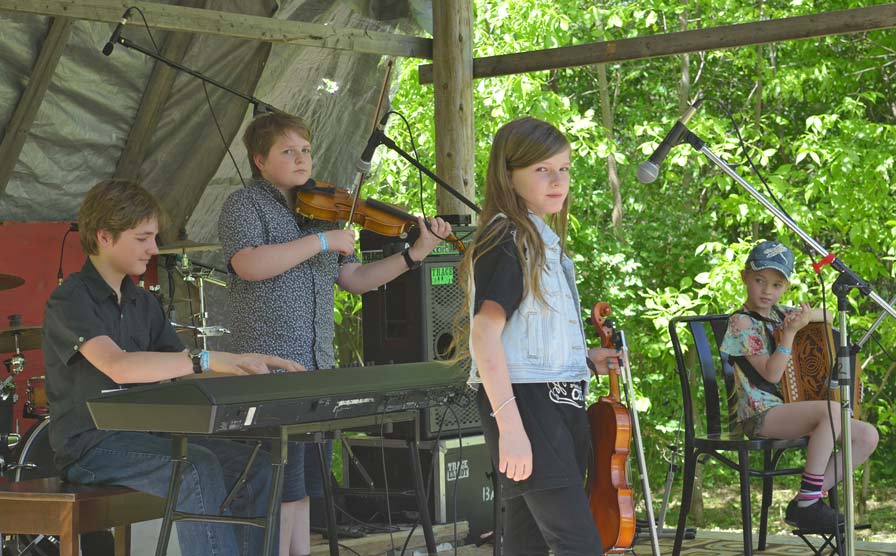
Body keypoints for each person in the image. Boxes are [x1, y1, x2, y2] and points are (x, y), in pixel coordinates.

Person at [218, 111, 451, 556]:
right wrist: (322, 243)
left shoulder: (323, 212)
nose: (301, 158)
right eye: (288, 151)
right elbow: (248, 264)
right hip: (267, 369)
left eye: (306, 150)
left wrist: (414, 256)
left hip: (317, 368)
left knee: (308, 485)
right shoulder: (244, 205)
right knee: (279, 486)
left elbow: (355, 279)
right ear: (260, 161)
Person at [43, 179, 305, 556]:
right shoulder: (70, 299)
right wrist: (208, 359)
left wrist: (244, 364)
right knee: (195, 467)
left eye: (154, 238)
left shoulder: (142, 302)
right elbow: (118, 365)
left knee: (257, 467)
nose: (154, 248)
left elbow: (182, 367)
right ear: (104, 236)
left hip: (146, 437)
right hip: (91, 447)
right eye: (143, 238)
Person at [458, 116, 617, 555]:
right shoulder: (507, 238)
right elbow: (484, 335)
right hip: (527, 407)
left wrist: (583, 359)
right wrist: (510, 428)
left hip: (554, 404)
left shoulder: (537, 237)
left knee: (525, 542)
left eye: (563, 169)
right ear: (508, 175)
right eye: (542, 170)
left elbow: (524, 336)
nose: (557, 181)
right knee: (578, 545)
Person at [719, 240, 879, 533]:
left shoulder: (779, 314)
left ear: (786, 287)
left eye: (777, 285)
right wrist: (790, 334)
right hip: (758, 415)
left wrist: (804, 317)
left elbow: (829, 316)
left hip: (787, 410)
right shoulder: (741, 323)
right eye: (759, 281)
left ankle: (807, 498)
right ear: (744, 277)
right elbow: (771, 375)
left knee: (867, 436)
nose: (767, 291)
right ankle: (809, 504)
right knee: (832, 411)